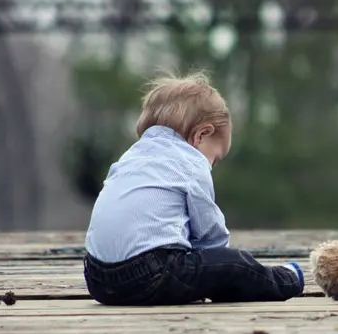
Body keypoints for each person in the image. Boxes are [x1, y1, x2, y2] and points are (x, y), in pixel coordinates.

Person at [83, 71, 304, 305]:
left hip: (97, 279)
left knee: (199, 270)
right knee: (236, 265)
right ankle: (287, 279)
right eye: (215, 159)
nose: (212, 166)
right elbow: (210, 235)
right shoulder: (190, 162)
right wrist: (219, 266)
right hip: (150, 276)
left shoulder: (130, 157)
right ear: (202, 135)